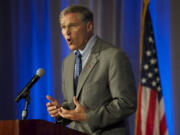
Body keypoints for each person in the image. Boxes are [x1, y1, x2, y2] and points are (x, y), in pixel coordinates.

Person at [46, 5, 137, 135]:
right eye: (63, 27)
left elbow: (127, 103)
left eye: (72, 26)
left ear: (89, 27)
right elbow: (72, 105)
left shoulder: (113, 56)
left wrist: (87, 116)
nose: (66, 32)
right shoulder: (68, 62)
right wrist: (61, 111)